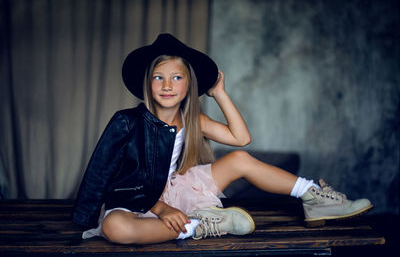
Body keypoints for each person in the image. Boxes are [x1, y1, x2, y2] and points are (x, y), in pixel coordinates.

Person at [72, 33, 373, 245]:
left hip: (178, 189)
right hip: (136, 199)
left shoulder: (193, 121)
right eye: (158, 77)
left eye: (177, 77)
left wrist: (219, 93)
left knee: (240, 159)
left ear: (190, 85)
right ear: (148, 84)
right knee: (115, 228)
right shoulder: (127, 121)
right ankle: (198, 226)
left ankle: (312, 197)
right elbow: (101, 173)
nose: (167, 85)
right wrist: (155, 210)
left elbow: (241, 138)